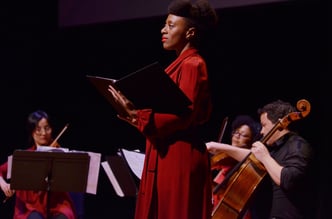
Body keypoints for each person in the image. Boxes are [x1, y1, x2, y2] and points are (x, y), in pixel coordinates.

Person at [107, 0, 218, 218]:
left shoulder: (192, 64)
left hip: (179, 157)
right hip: (165, 152)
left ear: (190, 32)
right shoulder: (176, 65)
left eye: (170, 25)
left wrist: (137, 115)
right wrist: (134, 117)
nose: (163, 30)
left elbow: (183, 115)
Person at [206, 100, 315, 219]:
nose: (262, 131)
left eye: (264, 125)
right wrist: (218, 146)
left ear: (278, 125)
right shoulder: (276, 148)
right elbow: (251, 156)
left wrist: (265, 157)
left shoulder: (298, 145)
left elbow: (288, 180)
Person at [0, 110, 77, 219]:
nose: (44, 133)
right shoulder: (24, 156)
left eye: (47, 128)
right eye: (38, 129)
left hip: (57, 205)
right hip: (30, 207)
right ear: (31, 131)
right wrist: (3, 184)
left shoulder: (59, 153)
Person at [211, 115, 261, 219]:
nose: (237, 136)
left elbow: (254, 156)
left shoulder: (246, 162)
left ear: (251, 141)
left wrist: (218, 146)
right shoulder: (224, 159)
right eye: (236, 132)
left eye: (243, 135)